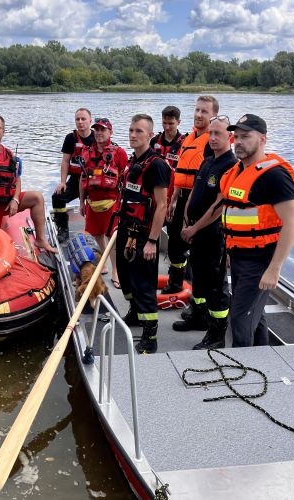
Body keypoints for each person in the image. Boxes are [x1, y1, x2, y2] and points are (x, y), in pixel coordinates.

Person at [218, 114, 294, 347]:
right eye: (236, 137)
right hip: (240, 257)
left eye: (246, 137)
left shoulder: (275, 176)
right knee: (256, 317)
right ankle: (264, 363)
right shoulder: (238, 171)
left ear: (262, 139)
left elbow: (292, 224)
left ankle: (241, 372)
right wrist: (228, 254)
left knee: (240, 320)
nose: (238, 142)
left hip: (261, 261)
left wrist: (274, 269)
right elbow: (233, 216)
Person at [178, 116, 236, 349]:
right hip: (195, 230)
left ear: (229, 137)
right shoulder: (208, 161)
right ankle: (199, 316)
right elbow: (195, 190)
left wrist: (194, 227)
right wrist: (185, 218)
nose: (212, 138)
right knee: (198, 278)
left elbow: (219, 206)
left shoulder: (230, 165)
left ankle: (216, 334)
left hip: (213, 234)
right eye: (210, 133)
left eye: (218, 134)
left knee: (214, 285)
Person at [0, 114, 56, 253]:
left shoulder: (9, 154)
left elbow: (17, 179)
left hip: (6, 202)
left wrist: (16, 199)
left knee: (37, 197)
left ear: (3, 131)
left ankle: (41, 240)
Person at [116, 114, 170, 354]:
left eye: (138, 131)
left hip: (143, 237)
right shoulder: (131, 162)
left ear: (150, 135)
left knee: (143, 285)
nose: (133, 135)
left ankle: (151, 336)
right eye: (130, 130)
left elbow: (162, 205)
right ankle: (135, 314)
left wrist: (152, 241)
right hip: (126, 230)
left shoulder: (156, 165)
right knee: (126, 282)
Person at [162, 96, 218, 295]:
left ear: (214, 116)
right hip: (182, 196)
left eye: (204, 111)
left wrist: (189, 212)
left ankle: (199, 299)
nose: (199, 115)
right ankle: (176, 282)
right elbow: (180, 170)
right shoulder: (189, 138)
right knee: (175, 244)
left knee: (197, 250)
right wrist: (174, 199)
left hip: (200, 201)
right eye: (197, 110)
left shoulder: (212, 143)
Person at [79, 118, 128, 287]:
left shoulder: (119, 152)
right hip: (92, 202)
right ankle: (103, 264)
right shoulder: (86, 152)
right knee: (96, 234)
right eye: (97, 129)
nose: (99, 133)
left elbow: (126, 177)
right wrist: (81, 202)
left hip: (111, 202)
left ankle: (116, 272)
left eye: (103, 130)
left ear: (110, 132)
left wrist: (124, 204)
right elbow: (83, 177)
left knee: (112, 238)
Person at [52, 108, 94, 242]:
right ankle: (62, 228)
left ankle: (97, 229)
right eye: (77, 119)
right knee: (57, 197)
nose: (80, 122)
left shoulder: (97, 137)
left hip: (93, 180)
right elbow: (65, 161)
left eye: (83, 119)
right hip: (76, 180)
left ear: (90, 121)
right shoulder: (70, 138)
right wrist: (63, 182)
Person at [150, 105, 185, 169]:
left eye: (171, 123)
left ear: (178, 122)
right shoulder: (154, 141)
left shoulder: (185, 143)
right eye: (164, 123)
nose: (167, 127)